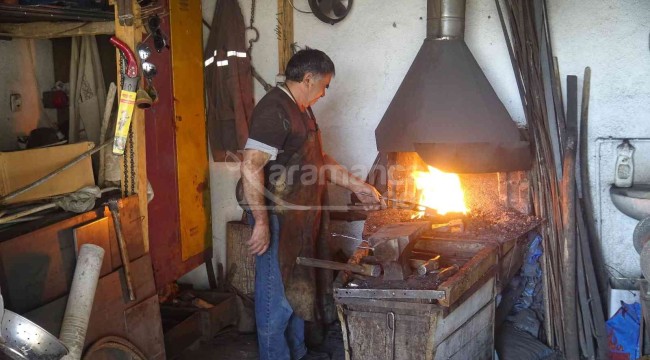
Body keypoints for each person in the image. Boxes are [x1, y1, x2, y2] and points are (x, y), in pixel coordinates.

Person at [241, 49, 383, 360]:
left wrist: (359, 186)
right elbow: (251, 166)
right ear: (308, 79)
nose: (324, 92)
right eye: (324, 85)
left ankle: (298, 353)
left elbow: (320, 161)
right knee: (275, 299)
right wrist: (262, 223)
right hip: (276, 216)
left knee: (297, 290)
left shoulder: (302, 109)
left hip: (299, 217)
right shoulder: (274, 111)